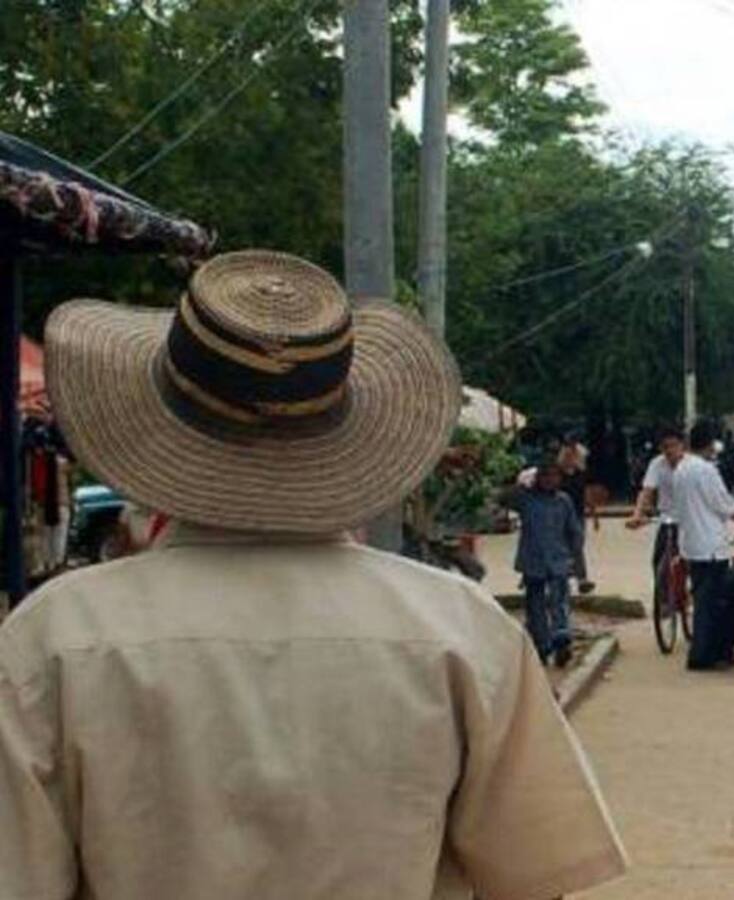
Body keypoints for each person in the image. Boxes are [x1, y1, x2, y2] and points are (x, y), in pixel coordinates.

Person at [0, 250, 626, 899]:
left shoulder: (56, 637)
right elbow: (532, 877)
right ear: (348, 432)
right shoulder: (458, 629)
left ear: (157, 425)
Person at [672, 420, 734, 671]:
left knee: (704, 597)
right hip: (710, 544)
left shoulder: (682, 468)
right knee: (711, 601)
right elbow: (721, 503)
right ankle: (703, 654)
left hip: (691, 542)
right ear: (710, 444)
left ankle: (710, 651)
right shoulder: (706, 470)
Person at [506, 459, 584, 667]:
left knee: (559, 601)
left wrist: (577, 563)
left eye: (554, 476)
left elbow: (574, 532)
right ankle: (541, 644)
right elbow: (504, 499)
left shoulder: (563, 501)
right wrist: (521, 483)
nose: (550, 480)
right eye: (545, 476)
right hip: (532, 560)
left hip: (558, 560)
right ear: (537, 479)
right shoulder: (526, 499)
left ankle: (561, 642)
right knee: (535, 605)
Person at [626, 424, 688, 577]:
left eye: (674, 445)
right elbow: (647, 491)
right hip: (667, 520)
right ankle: (662, 599)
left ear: (682, 445)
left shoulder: (693, 465)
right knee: (660, 564)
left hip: (689, 521)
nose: (670, 450)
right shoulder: (657, 464)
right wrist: (637, 515)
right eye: (665, 447)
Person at [557, 432, 595, 595]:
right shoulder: (557, 474)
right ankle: (569, 576)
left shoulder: (580, 473)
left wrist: (594, 514)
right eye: (568, 454)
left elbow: (586, 493)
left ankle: (580, 578)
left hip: (577, 514)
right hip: (559, 515)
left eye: (573, 454)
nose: (570, 457)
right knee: (562, 546)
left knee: (577, 545)